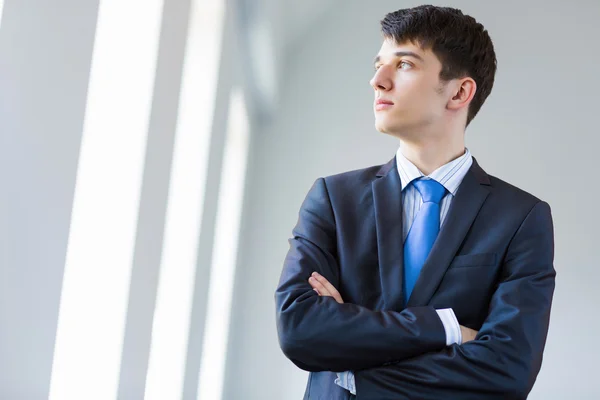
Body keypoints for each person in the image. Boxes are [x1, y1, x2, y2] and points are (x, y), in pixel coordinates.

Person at [274, 5, 555, 400]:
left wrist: (352, 370)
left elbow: (507, 370)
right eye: (378, 65)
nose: (377, 81)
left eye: (404, 64)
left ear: (459, 91)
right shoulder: (333, 200)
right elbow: (300, 330)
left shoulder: (521, 219)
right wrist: (446, 330)